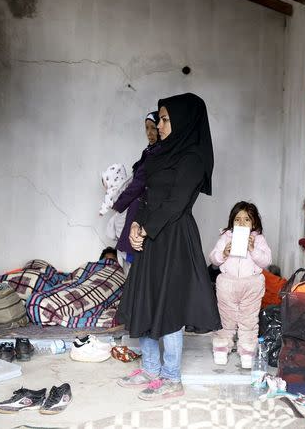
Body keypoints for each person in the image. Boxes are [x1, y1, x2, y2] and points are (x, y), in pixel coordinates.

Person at [116, 93, 220, 401]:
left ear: (183, 121)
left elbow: (175, 203)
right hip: (150, 236)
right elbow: (148, 196)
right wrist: (136, 227)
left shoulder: (193, 158)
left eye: (164, 119)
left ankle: (171, 377)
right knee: (146, 299)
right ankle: (150, 369)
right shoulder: (160, 155)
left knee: (169, 304)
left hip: (174, 238)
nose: (159, 125)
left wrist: (145, 229)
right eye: (159, 119)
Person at [209, 201, 271, 369]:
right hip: (227, 284)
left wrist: (253, 249)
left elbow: (266, 261)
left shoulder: (258, 239)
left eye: (247, 219)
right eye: (237, 219)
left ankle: (247, 351)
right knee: (225, 318)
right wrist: (224, 253)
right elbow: (213, 258)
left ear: (254, 223)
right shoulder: (226, 237)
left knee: (248, 319)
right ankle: (221, 347)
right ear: (232, 221)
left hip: (251, 285)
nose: (242, 223)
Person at [112, 112, 160, 273]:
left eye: (154, 128)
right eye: (147, 128)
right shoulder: (150, 151)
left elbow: (138, 184)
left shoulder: (155, 153)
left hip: (141, 209)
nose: (150, 133)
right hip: (145, 208)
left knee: (133, 254)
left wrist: (119, 203)